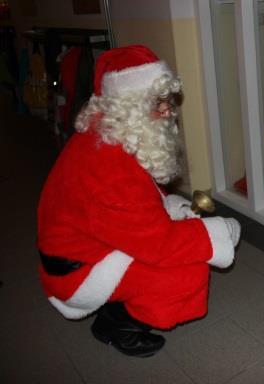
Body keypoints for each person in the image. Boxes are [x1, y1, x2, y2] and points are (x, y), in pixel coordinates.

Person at [37, 45, 241, 358]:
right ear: (130, 106)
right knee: (186, 272)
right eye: (159, 103)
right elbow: (158, 244)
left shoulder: (107, 131)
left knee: (180, 244)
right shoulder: (108, 165)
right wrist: (217, 233)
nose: (170, 111)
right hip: (76, 270)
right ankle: (116, 324)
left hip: (87, 243)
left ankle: (119, 308)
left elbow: (138, 196)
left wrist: (174, 209)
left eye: (169, 101)